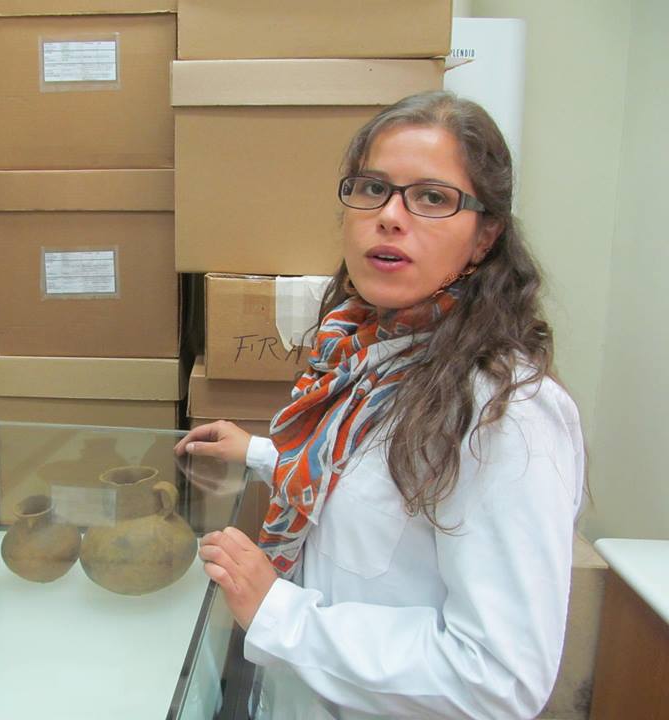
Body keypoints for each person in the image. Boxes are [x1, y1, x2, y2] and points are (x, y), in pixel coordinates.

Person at [174, 90, 585, 720]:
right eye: (373, 188)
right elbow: (369, 491)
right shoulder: (371, 349)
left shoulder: (508, 415)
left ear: (486, 236)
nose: (390, 216)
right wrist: (260, 453)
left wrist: (279, 614)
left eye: (432, 198)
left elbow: (500, 679)